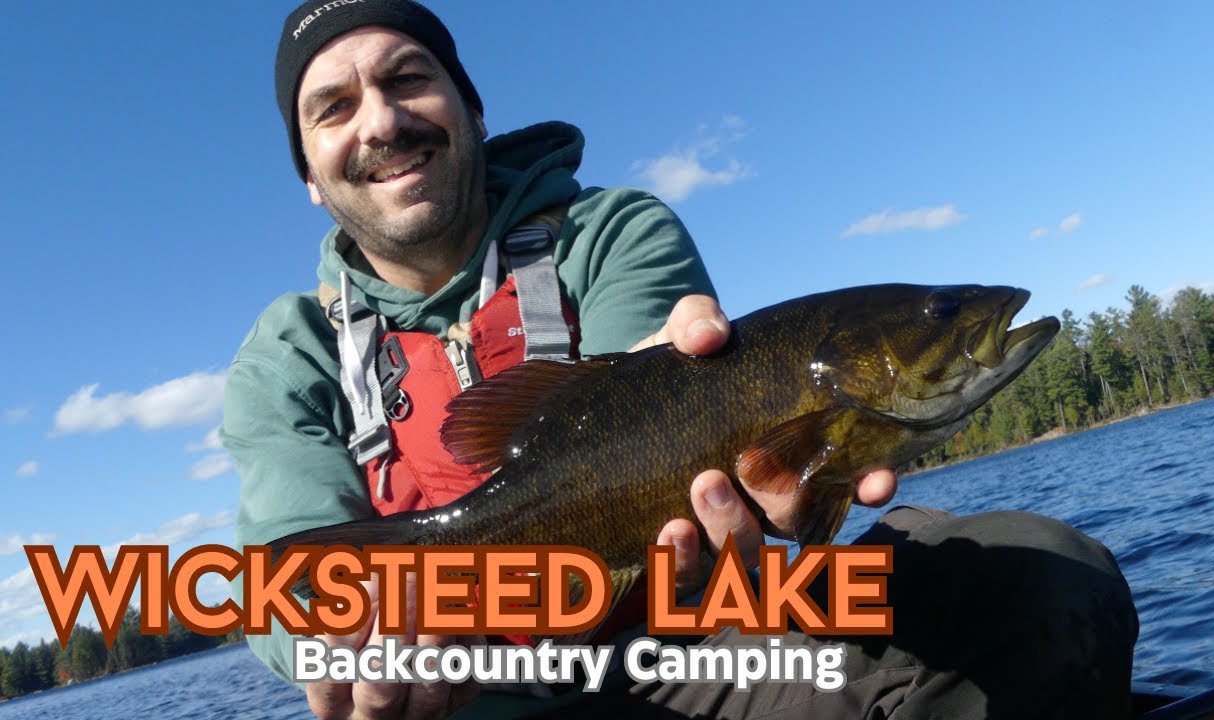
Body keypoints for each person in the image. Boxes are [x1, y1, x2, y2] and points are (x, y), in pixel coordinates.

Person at [223, 1, 1139, 718]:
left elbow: (669, 425)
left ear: (472, 109)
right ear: (308, 175)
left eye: (408, 78)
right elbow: (279, 585)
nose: (381, 120)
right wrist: (352, 646)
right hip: (466, 704)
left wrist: (761, 482)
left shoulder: (610, 232)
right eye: (333, 108)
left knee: (1039, 579)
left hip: (691, 659)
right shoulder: (287, 352)